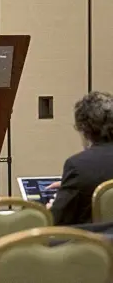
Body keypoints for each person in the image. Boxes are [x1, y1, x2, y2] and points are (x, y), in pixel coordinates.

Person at [46, 91, 113, 225]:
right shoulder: (80, 172)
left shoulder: (77, 166)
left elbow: (57, 220)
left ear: (83, 129)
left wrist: (50, 209)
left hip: (94, 243)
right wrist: (74, 183)